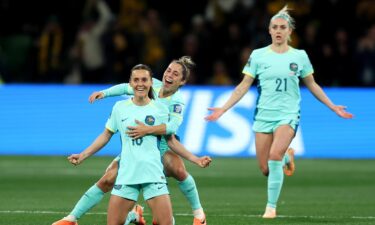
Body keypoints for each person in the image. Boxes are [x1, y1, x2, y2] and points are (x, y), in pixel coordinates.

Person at [205, 5, 353, 219]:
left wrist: (332, 106)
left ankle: (271, 208)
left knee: (274, 155)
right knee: (265, 168)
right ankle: (286, 158)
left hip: (288, 114)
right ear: (269, 30)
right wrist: (223, 109)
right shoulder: (258, 56)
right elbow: (243, 86)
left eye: (283, 27)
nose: (278, 30)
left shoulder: (300, 56)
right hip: (264, 115)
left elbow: (312, 84)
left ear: (290, 31)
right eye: (274, 27)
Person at [52, 56, 211, 225]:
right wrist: (104, 93)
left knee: (178, 170)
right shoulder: (137, 95)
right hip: (134, 152)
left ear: (182, 81)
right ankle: (73, 218)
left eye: (176, 74)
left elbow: (171, 129)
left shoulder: (173, 103)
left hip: (160, 148)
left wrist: (147, 130)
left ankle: (199, 214)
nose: (170, 75)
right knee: (107, 179)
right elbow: (124, 89)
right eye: (168, 70)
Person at [65, 64, 175, 225]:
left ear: (151, 82)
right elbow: (106, 135)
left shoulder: (160, 109)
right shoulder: (120, 108)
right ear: (130, 83)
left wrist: (194, 159)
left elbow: (171, 140)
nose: (140, 84)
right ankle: (132, 215)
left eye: (144, 80)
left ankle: (134, 215)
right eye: (136, 80)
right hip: (127, 174)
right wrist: (83, 155)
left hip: (152, 174)